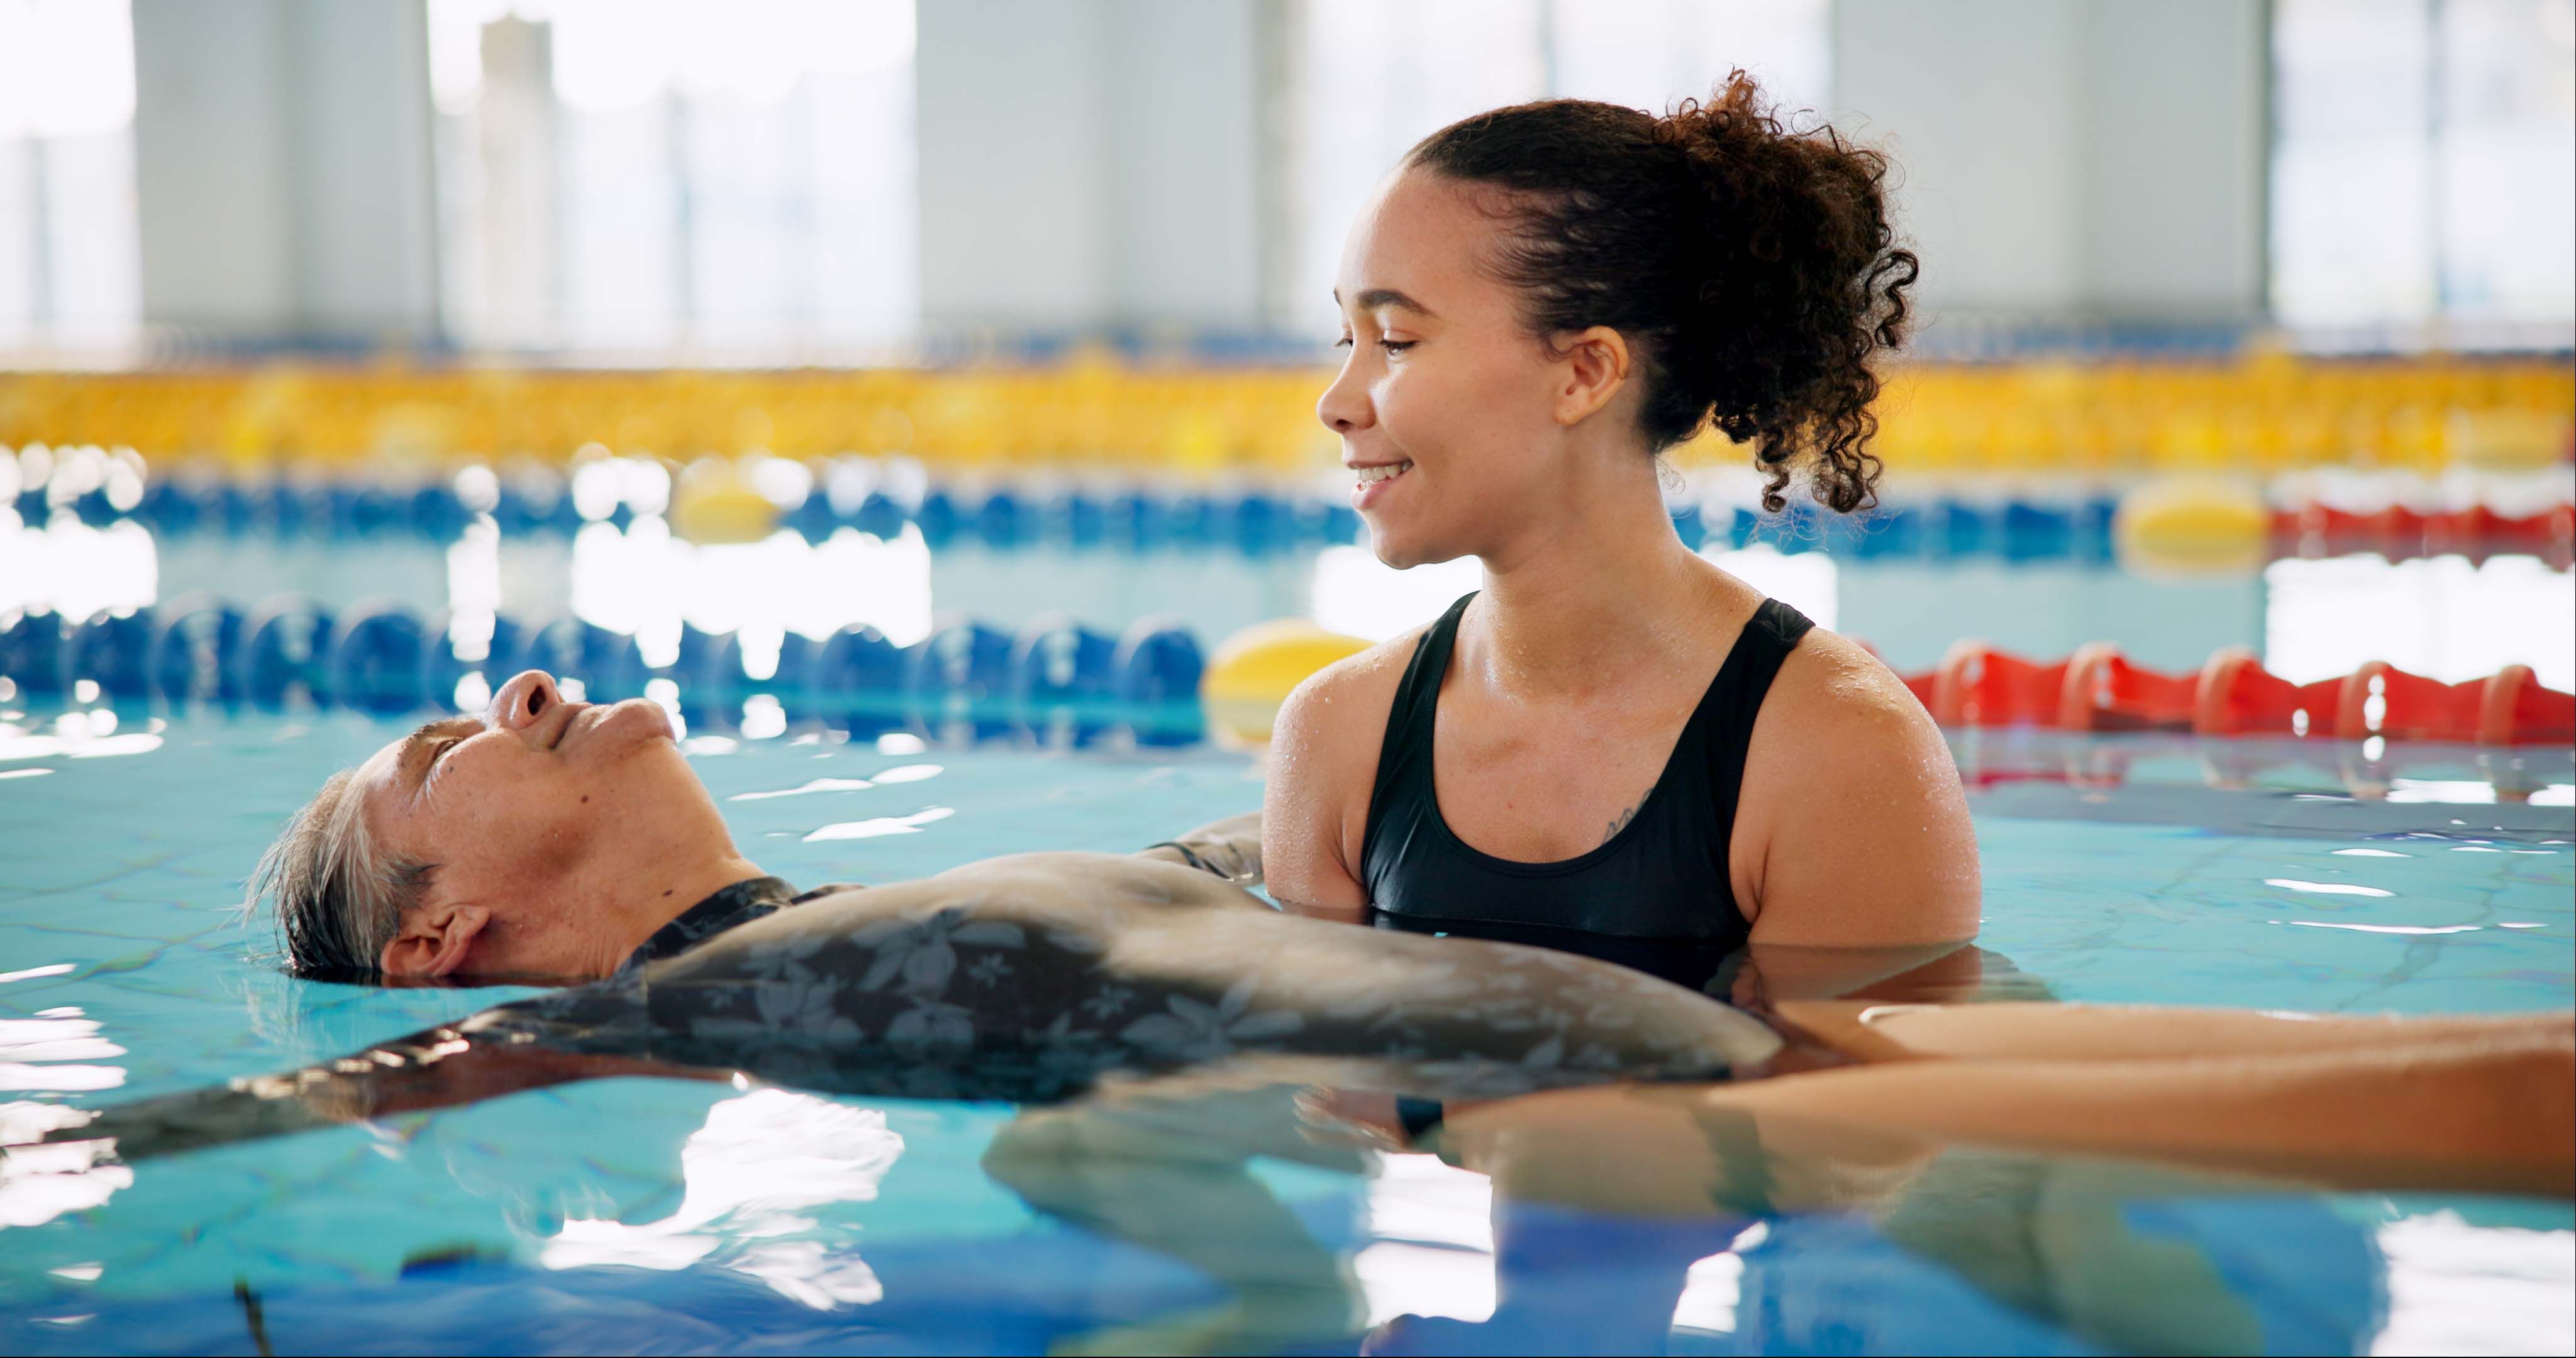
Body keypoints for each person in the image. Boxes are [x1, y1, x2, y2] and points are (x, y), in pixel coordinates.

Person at [18, 668, 2568, 1210]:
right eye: (448, 748)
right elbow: (256, 1126)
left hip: (1644, 1026)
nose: (521, 685)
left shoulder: (831, 925)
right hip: (1569, 1103)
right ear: (460, 917)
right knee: (2513, 1114)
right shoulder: (645, 1016)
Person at [1264, 74, 1977, 985]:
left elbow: (1851, 1117)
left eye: (1396, 341)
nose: (1336, 403)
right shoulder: (1337, 737)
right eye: (1346, 342)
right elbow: (1325, 1100)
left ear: (1585, 373)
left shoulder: (1835, 754)